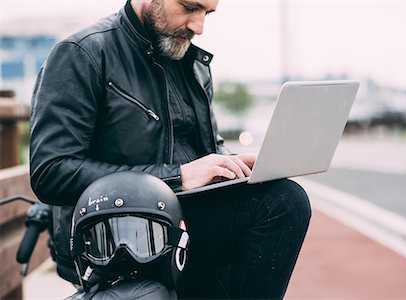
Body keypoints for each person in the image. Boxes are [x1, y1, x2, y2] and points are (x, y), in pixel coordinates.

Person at [29, 0, 312, 298]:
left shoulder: (192, 64)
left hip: (178, 222)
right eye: (190, 7)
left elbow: (204, 151)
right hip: (114, 238)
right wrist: (177, 177)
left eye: (207, 13)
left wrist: (230, 166)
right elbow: (51, 171)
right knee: (282, 202)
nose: (199, 27)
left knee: (273, 195)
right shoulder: (82, 52)